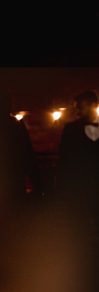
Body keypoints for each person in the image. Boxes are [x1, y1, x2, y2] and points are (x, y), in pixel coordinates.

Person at [57, 89, 99, 220]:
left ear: (94, 106)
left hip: (87, 185)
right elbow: (63, 160)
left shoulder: (71, 129)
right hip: (79, 188)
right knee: (79, 223)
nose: (77, 111)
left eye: (81, 107)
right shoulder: (70, 129)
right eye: (76, 108)